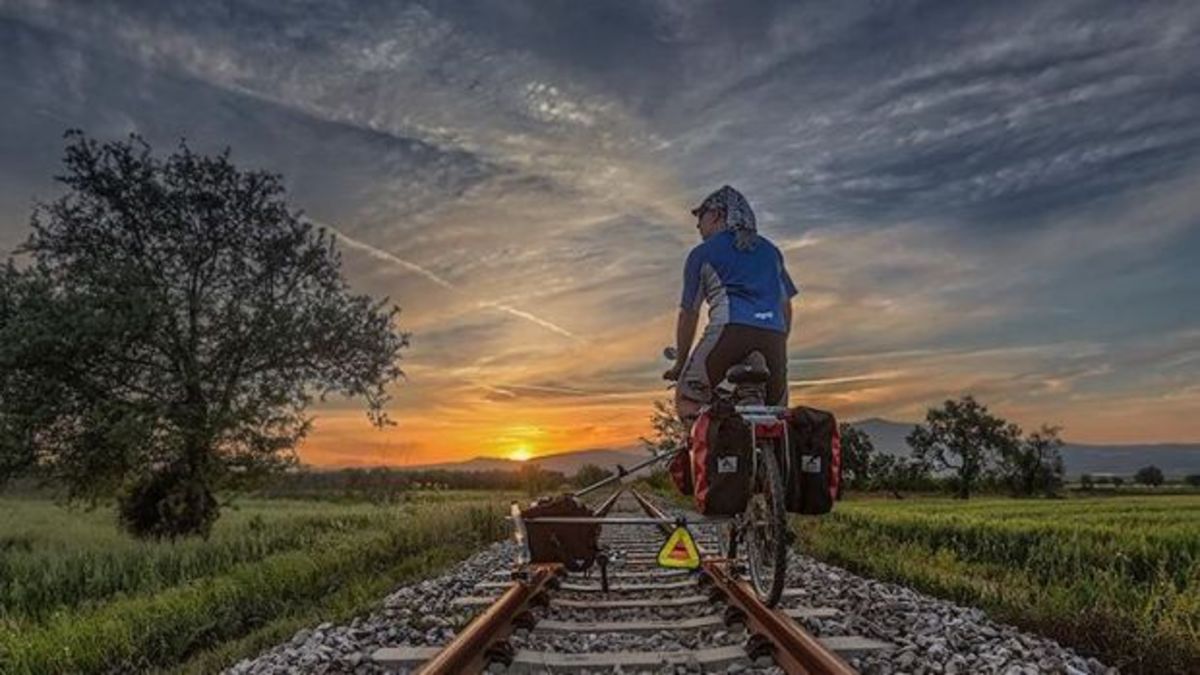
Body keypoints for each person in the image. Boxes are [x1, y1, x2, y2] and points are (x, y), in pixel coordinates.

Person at [663, 185, 798, 425]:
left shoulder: (702, 253)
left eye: (701, 217)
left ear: (716, 214)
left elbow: (689, 313)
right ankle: (779, 460)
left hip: (729, 331)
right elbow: (786, 307)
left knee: (688, 399)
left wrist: (681, 362)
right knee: (778, 416)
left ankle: (701, 459)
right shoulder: (771, 252)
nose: (698, 226)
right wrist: (775, 342)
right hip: (775, 336)